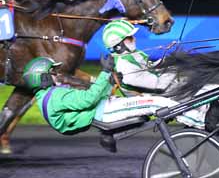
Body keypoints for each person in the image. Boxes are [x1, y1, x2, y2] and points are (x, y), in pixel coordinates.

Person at [23, 55, 205, 137]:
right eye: (53, 72)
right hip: (106, 112)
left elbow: (92, 96)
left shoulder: (50, 97)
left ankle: (195, 114)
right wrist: (105, 71)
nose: (57, 74)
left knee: (153, 99)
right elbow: (89, 99)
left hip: (106, 108)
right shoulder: (56, 97)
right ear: (43, 77)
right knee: (155, 102)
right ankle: (201, 123)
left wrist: (110, 78)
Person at [101, 19, 219, 104]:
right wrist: (176, 74)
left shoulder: (133, 55)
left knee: (206, 71)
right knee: (209, 84)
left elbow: (150, 68)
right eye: (129, 37)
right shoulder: (123, 66)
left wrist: (168, 59)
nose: (133, 39)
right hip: (167, 93)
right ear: (119, 44)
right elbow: (154, 83)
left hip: (170, 85)